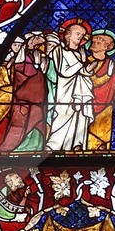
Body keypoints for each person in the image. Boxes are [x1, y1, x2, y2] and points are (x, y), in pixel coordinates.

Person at [43, 18, 96, 151]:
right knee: (62, 116)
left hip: (80, 91)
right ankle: (53, 146)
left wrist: (88, 69)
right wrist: (81, 64)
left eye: (83, 35)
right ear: (68, 35)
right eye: (78, 34)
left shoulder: (81, 53)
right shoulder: (58, 51)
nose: (80, 37)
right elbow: (64, 71)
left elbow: (81, 73)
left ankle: (76, 144)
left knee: (80, 117)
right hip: (65, 91)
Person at [85, 28, 115, 150]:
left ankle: (102, 149)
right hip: (85, 102)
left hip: (106, 104)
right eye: (94, 41)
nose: (94, 43)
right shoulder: (84, 61)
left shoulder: (111, 64)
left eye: (99, 42)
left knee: (103, 133)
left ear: (107, 47)